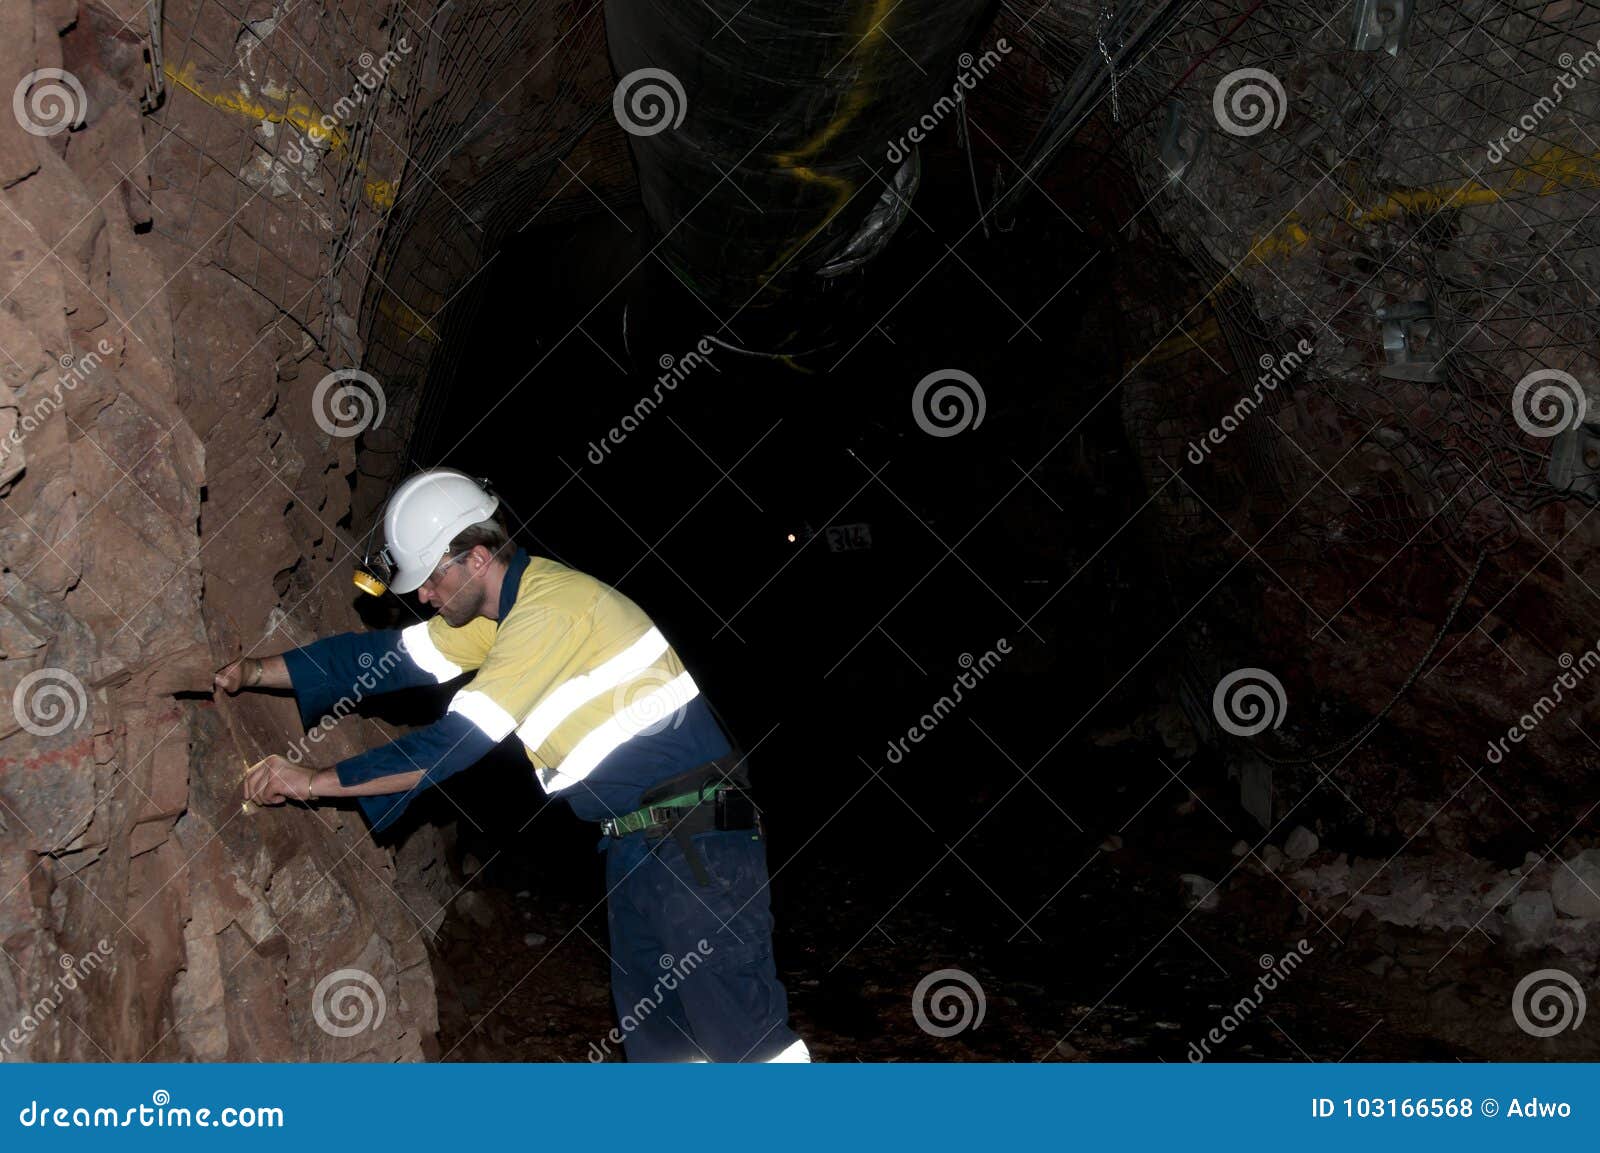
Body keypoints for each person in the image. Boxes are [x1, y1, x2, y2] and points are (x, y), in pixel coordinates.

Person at [214, 467, 808, 1062]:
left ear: (476, 558)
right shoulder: (499, 619)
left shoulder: (548, 613)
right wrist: (256, 672)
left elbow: (450, 746)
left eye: (430, 580)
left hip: (694, 841)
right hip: (636, 847)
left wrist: (313, 782)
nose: (423, 596)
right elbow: (385, 659)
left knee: (748, 1047)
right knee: (668, 1052)